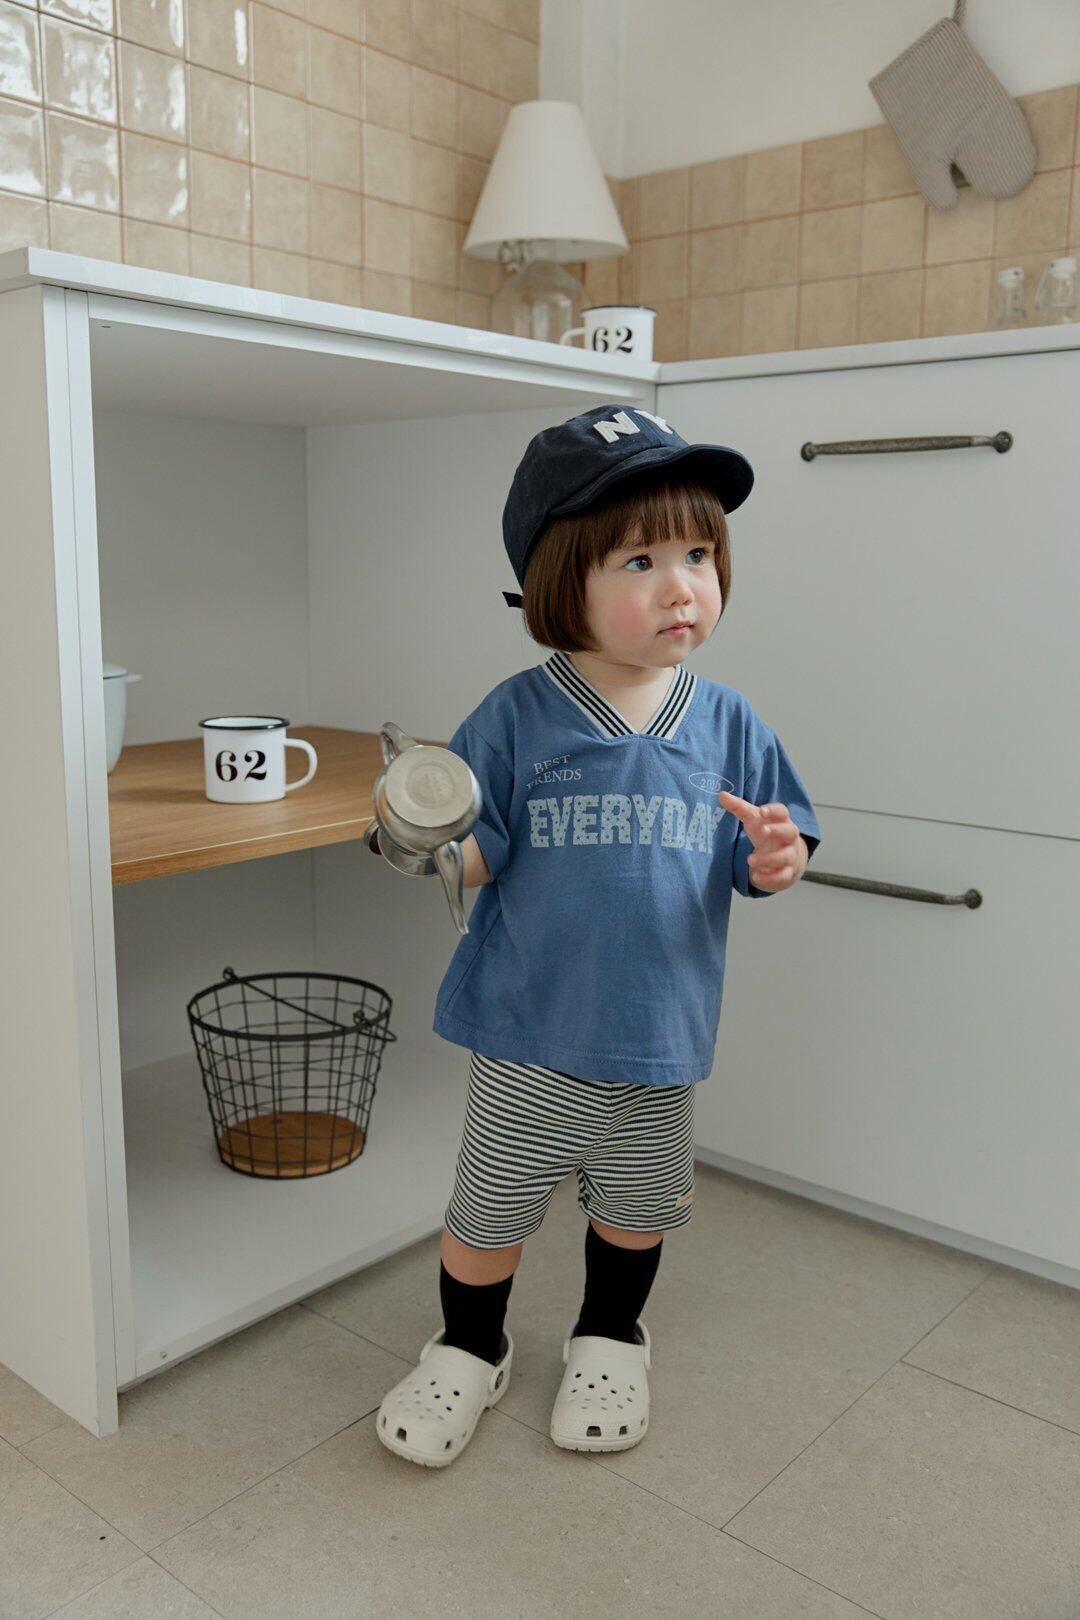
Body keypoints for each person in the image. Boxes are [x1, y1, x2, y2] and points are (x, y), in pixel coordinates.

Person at [375, 403, 822, 1469]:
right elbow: (473, 849)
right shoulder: (517, 715)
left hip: (659, 1037)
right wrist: (422, 831)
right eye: (639, 561)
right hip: (529, 1029)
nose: (681, 586)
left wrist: (777, 857)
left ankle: (611, 1335)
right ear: (557, 581)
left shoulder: (728, 721)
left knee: (634, 1212)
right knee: (488, 1213)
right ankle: (468, 1348)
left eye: (698, 554)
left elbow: (775, 839)